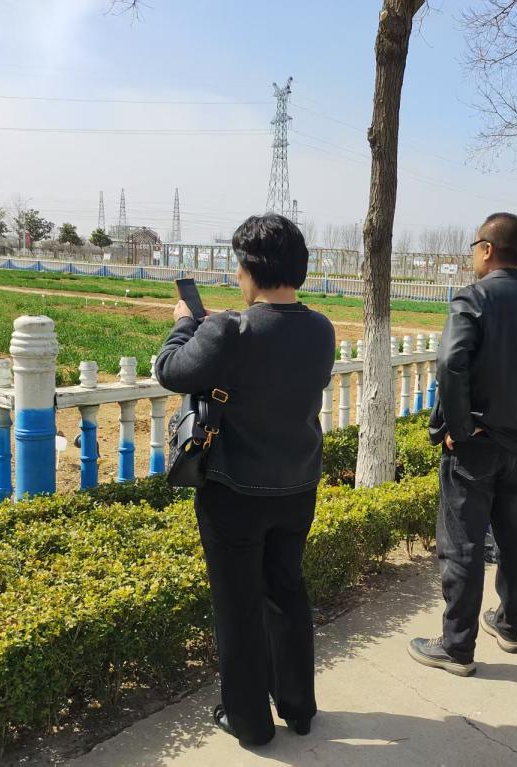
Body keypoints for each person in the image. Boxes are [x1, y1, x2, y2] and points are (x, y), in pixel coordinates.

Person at [155, 213, 336, 747]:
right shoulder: (321, 328)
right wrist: (215, 329)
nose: (237, 276)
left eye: (238, 266)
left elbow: (170, 369)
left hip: (234, 492)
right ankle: (298, 707)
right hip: (297, 485)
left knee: (237, 608)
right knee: (286, 591)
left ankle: (251, 721)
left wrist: (186, 322)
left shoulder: (228, 330)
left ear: (251, 270)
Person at [409, 212, 517, 677]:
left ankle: (457, 646)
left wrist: (458, 427)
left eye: (475, 246)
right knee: (515, 540)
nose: (474, 255)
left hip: (476, 445)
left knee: (463, 544)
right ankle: (509, 624)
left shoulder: (473, 297)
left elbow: (450, 364)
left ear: (488, 249)